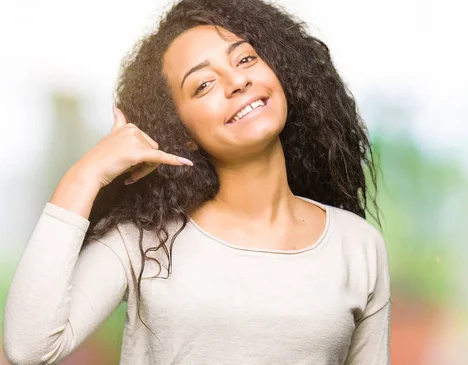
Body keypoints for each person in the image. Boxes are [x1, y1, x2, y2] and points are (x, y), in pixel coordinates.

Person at [3, 0, 391, 364]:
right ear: (180, 130)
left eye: (245, 58)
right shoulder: (144, 240)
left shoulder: (357, 245)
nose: (237, 81)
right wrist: (85, 174)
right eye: (203, 84)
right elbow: (29, 347)